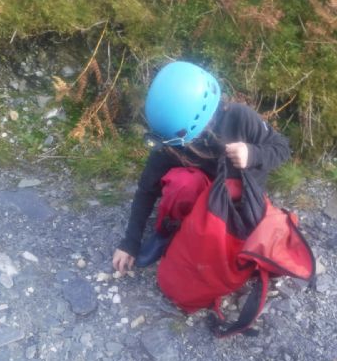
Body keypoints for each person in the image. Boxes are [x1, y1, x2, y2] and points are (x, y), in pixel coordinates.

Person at [112, 61, 291, 276]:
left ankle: (211, 234)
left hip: (237, 199)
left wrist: (252, 154)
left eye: (184, 141)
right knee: (183, 184)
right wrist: (130, 243)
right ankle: (169, 232)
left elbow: (282, 148)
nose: (179, 147)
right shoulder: (172, 136)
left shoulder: (240, 117)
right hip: (201, 196)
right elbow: (146, 189)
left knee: (235, 256)